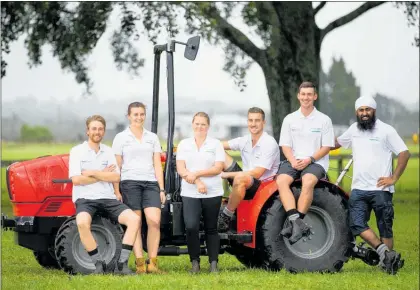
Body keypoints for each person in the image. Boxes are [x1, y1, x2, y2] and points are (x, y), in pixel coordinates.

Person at [335, 96, 410, 275]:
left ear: (374, 111)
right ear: (356, 112)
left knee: (385, 226)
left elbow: (404, 153)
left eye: (368, 110)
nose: (364, 113)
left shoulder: (386, 130)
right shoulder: (353, 129)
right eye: (361, 110)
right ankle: (386, 254)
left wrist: (393, 178)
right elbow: (336, 143)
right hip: (359, 189)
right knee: (357, 224)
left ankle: (388, 265)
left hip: (381, 190)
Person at [69, 115, 140, 275]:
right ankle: (98, 264)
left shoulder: (108, 152)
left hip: (108, 198)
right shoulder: (77, 151)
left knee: (134, 220)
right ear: (88, 131)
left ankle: (122, 265)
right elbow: (77, 180)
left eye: (100, 129)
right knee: (82, 223)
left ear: (104, 131)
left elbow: (115, 177)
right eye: (94, 128)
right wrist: (103, 175)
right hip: (85, 199)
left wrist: (94, 173)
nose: (97, 132)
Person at [275, 81, 334, 244]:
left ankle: (295, 223)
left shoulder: (324, 120)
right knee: (281, 181)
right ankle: (297, 223)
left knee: (308, 181)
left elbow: (327, 146)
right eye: (303, 94)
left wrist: (310, 159)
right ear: (298, 96)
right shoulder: (290, 119)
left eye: (309, 94)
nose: (306, 97)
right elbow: (285, 145)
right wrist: (293, 161)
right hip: (294, 160)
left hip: (316, 161)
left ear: (315, 96)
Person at [112, 102, 166, 274]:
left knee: (154, 221)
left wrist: (162, 189)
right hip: (129, 182)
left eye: (142, 114)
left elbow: (157, 165)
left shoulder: (152, 137)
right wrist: (116, 190)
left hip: (150, 183)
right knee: (136, 222)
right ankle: (140, 263)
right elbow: (117, 166)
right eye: (135, 114)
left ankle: (153, 263)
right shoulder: (121, 137)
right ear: (129, 116)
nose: (139, 117)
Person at [176, 112, 225, 274]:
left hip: (213, 192)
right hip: (190, 192)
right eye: (197, 124)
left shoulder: (216, 144)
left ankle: (213, 264)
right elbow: (181, 169)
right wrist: (196, 181)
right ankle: (195, 263)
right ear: (192, 125)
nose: (200, 127)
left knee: (211, 228)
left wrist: (196, 174)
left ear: (208, 127)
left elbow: (218, 168)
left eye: (203, 124)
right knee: (191, 227)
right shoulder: (184, 144)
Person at [217, 107, 280, 232]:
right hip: (247, 180)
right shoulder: (245, 140)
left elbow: (257, 173)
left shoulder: (269, 143)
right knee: (220, 153)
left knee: (240, 177)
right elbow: (219, 145)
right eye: (251, 120)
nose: (253, 124)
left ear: (263, 122)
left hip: (262, 185)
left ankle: (226, 216)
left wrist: (226, 174)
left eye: (257, 120)